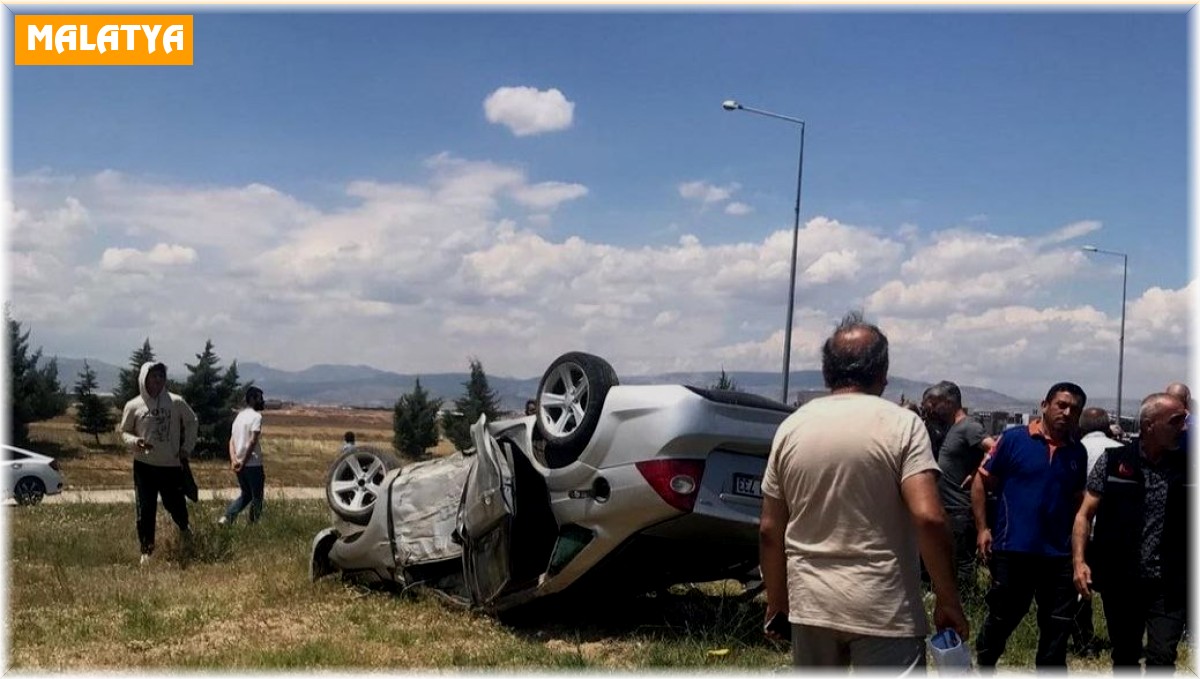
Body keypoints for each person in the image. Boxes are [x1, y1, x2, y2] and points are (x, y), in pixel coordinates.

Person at [759, 311, 968, 669]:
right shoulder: (903, 425)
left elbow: (769, 529)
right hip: (885, 608)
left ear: (827, 373)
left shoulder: (791, 428)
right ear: (883, 374)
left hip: (812, 606)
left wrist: (777, 599)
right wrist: (947, 600)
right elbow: (929, 518)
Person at [971, 382, 1089, 669]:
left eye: (1074, 409)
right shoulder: (1013, 440)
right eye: (1061, 405)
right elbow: (980, 481)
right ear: (1044, 405)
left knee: (1056, 631)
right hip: (1014, 550)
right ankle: (981, 666)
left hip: (1058, 556)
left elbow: (1078, 508)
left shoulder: (1077, 453)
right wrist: (983, 528)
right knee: (1002, 618)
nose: (1066, 412)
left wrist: (1078, 558)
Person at [1072, 393, 1190, 670]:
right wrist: (1079, 561)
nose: (1183, 428)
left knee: (1162, 657)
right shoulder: (1114, 462)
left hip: (1170, 583)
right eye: (1175, 421)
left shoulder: (1188, 468)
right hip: (1122, 581)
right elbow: (1084, 514)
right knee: (1124, 656)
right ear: (1150, 425)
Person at [118, 361, 198, 566]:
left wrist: (186, 448)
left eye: (161, 376)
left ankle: (184, 529)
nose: (158, 380)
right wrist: (135, 441)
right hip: (144, 465)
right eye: (154, 376)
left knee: (175, 504)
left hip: (170, 464)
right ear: (144, 378)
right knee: (145, 508)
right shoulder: (133, 405)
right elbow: (124, 431)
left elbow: (192, 421)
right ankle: (146, 551)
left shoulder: (176, 402)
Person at [921, 380, 994, 597]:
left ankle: (965, 603)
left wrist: (979, 472)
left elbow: (996, 449)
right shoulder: (952, 429)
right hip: (949, 508)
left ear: (949, 402)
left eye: (935, 403)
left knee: (963, 563)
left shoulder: (968, 427)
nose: (931, 408)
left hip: (961, 509)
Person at [1068, 407, 1122, 657]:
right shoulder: (1119, 451)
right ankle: (1121, 641)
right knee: (1115, 590)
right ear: (1106, 426)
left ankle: (1083, 641)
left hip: (1080, 528)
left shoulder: (1075, 449)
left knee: (1081, 587)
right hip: (1112, 532)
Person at [221, 386, 267, 525]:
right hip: (253, 464)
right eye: (259, 398)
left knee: (246, 495)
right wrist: (245, 461)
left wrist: (234, 460)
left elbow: (232, 441)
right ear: (252, 399)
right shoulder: (257, 417)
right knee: (256, 496)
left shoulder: (239, 417)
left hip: (239, 463)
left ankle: (226, 518)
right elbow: (253, 441)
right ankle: (253, 524)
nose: (262, 401)